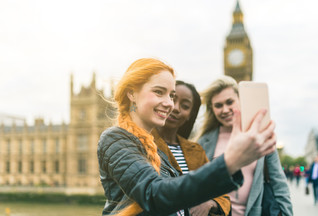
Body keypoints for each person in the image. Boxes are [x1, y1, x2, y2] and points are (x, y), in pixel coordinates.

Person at [97, 58, 277, 216]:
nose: (169, 104)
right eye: (159, 92)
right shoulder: (115, 140)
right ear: (131, 93)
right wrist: (230, 161)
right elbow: (155, 195)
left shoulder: (156, 149)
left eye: (171, 95)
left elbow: (179, 200)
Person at [197, 76, 293, 216]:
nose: (225, 110)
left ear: (240, 100)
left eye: (230, 102)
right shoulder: (203, 142)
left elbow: (279, 183)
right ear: (212, 109)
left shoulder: (260, 135)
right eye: (218, 105)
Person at [153, 80, 231, 216]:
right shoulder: (142, 142)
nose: (176, 108)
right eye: (172, 99)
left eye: (185, 106)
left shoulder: (196, 151)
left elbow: (222, 195)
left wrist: (210, 203)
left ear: (190, 114)